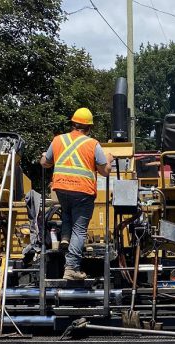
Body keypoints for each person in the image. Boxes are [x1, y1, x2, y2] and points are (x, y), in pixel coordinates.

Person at [39, 107, 113, 280]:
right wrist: (109, 159)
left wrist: (45, 156)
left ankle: (65, 238)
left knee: (67, 215)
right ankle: (71, 267)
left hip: (61, 188)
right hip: (83, 191)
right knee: (79, 230)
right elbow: (105, 171)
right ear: (89, 128)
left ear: (73, 124)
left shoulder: (58, 140)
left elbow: (44, 162)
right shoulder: (92, 144)